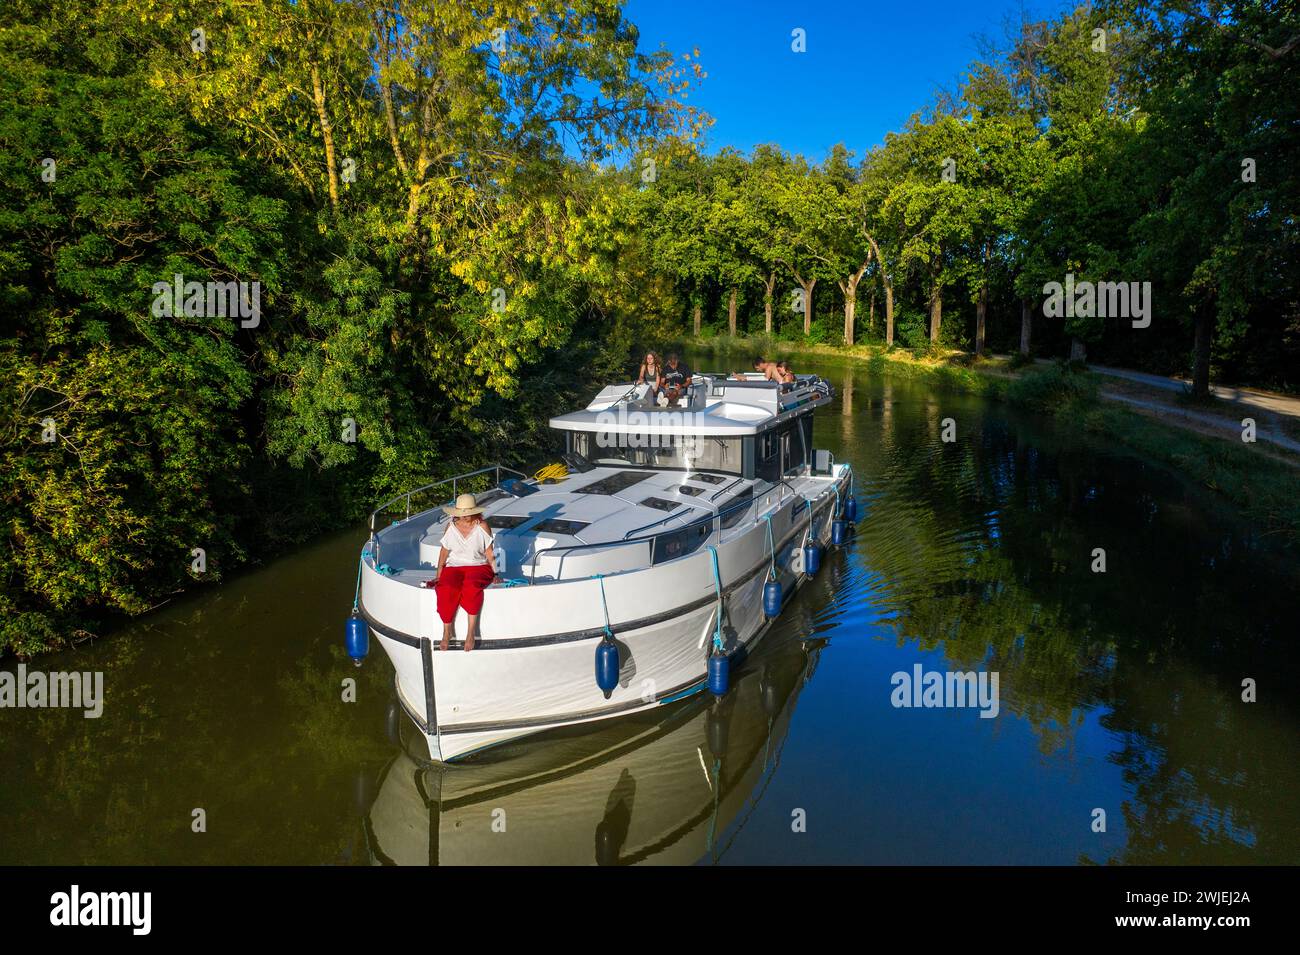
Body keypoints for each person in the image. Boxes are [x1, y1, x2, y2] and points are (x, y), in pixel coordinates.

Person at [434, 493, 498, 652]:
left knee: (471, 586)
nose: (466, 517)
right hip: (454, 566)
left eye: (469, 513)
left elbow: (489, 552)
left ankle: (471, 633)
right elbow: (444, 551)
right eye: (463, 514)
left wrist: (496, 572)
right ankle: (447, 631)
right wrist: (439, 574)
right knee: (445, 587)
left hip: (479, 565)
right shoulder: (451, 527)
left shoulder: (482, 526)